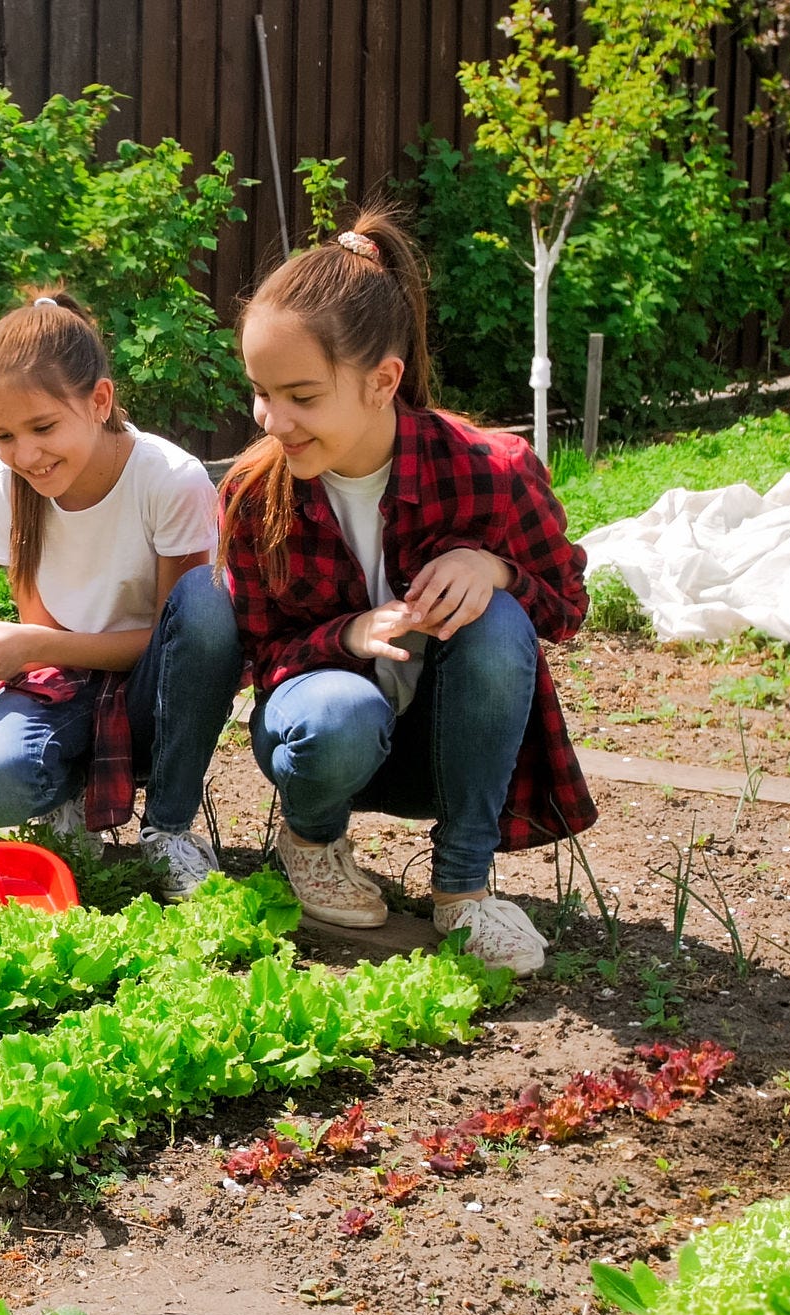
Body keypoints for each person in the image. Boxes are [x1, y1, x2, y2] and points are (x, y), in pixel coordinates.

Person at [220, 210, 595, 975]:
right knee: (337, 712)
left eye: (300, 395)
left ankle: (463, 891)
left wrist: (495, 571)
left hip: (445, 752)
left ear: (382, 379)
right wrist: (348, 636)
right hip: (327, 742)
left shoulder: (489, 470)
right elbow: (260, 655)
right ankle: (313, 842)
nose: (273, 420)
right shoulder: (255, 493)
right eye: (260, 392)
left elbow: (565, 606)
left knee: (497, 624)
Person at [0, 291, 241, 899]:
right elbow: (43, 645)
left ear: (99, 401)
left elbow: (180, 640)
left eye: (44, 427)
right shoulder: (6, 486)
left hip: (162, 689)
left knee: (210, 604)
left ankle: (168, 830)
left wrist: (30, 645)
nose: (26, 455)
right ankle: (66, 798)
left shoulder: (168, 480)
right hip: (70, 680)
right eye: (3, 434)